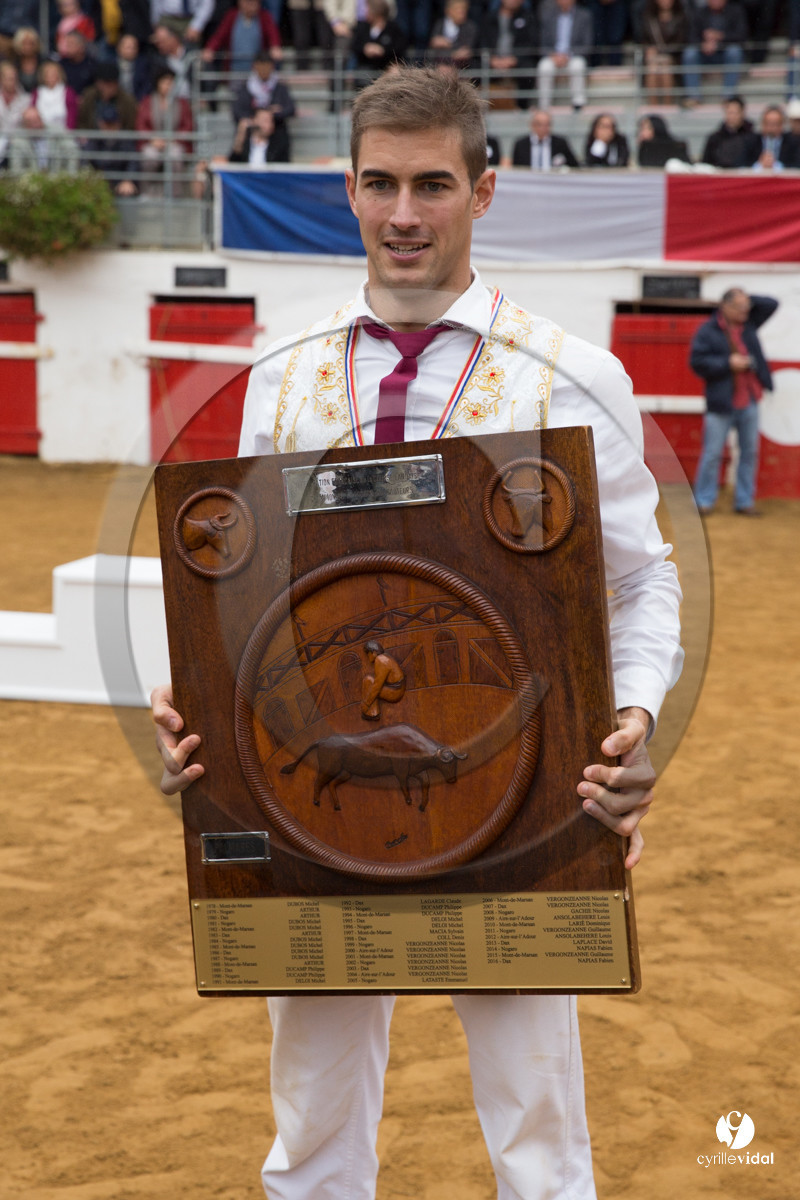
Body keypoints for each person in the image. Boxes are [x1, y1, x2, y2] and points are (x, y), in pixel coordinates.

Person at [152, 65, 683, 1200]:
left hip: (520, 792)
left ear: (481, 192)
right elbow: (240, 597)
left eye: (432, 185)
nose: (404, 214)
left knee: (537, 1130)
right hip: (306, 804)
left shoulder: (574, 374)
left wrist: (629, 714)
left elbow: (641, 584)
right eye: (381, 184)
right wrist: (191, 705)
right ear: (347, 189)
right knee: (309, 1121)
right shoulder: (279, 380)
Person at [690, 288, 778, 517]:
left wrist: (746, 297)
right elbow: (697, 362)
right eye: (739, 308)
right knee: (712, 453)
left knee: (749, 453)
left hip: (749, 399)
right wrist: (727, 363)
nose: (744, 312)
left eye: (746, 307)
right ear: (724, 307)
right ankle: (704, 501)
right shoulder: (707, 331)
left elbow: (771, 303)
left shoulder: (748, 324)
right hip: (721, 402)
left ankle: (744, 501)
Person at [681, 0, 747, 106]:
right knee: (690, 53)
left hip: (724, 52)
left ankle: (728, 96)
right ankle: (693, 96)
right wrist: (702, 45)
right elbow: (690, 36)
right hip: (703, 53)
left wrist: (720, 37)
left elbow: (741, 36)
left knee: (735, 51)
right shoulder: (699, 12)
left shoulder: (735, 11)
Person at [478, 0, 538, 109]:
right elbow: (482, 42)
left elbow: (530, 43)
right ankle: (477, 107)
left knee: (528, 68)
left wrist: (514, 59)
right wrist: (492, 59)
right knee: (473, 68)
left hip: (516, 60)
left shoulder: (528, 17)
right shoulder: (489, 17)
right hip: (493, 60)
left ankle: (522, 107)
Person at [538, 0, 593, 111]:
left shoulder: (584, 15)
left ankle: (578, 104)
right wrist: (552, 55)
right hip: (553, 56)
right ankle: (544, 106)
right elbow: (542, 43)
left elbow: (587, 44)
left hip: (573, 55)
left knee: (578, 65)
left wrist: (568, 55)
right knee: (544, 67)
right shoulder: (548, 15)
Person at [202, 0, 282, 74]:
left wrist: (275, 46)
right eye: (249, 2)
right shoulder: (231, 16)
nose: (253, 5)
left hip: (257, 72)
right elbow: (219, 36)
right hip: (235, 69)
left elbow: (273, 34)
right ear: (240, 3)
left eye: (256, 3)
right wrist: (210, 48)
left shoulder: (264, 17)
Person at [637, 0, 689, 104]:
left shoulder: (681, 17)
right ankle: (653, 105)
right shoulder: (649, 18)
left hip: (674, 57)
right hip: (654, 59)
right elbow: (644, 39)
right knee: (652, 68)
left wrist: (661, 51)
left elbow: (681, 42)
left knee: (665, 68)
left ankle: (667, 105)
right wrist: (648, 49)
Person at [350, 0, 408, 87]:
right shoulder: (363, 27)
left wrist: (383, 50)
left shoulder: (393, 28)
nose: (365, 11)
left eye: (368, 9)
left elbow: (400, 47)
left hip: (387, 66)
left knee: (396, 73)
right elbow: (355, 45)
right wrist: (365, 48)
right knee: (363, 78)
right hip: (366, 67)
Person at [9, 104, 81, 171]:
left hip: (57, 177)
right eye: (30, 122)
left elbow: (72, 150)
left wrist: (70, 178)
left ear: (41, 119)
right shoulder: (18, 141)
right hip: (32, 180)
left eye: (37, 120)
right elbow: (16, 169)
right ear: (24, 125)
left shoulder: (58, 131)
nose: (35, 125)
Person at [232, 49, 296, 124]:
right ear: (255, 66)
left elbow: (291, 109)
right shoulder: (247, 86)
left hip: (276, 129)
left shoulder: (279, 86)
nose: (264, 70)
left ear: (272, 67)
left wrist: (272, 114)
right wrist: (258, 116)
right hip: (254, 129)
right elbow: (237, 111)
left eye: (266, 67)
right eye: (261, 66)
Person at [701, 94, 760, 168]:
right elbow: (706, 164)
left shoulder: (753, 138)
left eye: (735, 113)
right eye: (729, 112)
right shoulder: (714, 138)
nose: (732, 117)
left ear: (742, 113)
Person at [512, 107, 579, 168]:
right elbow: (516, 168)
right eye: (540, 124)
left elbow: (574, 166)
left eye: (547, 124)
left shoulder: (560, 143)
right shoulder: (521, 144)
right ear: (532, 125)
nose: (543, 128)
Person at [31, 59, 79, 129]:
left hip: (62, 132)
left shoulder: (68, 92)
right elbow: (32, 112)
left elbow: (72, 115)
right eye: (47, 74)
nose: (50, 77)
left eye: (53, 74)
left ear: (59, 75)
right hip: (41, 132)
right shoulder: (37, 92)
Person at [750, 104, 800, 170]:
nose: (771, 128)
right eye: (768, 123)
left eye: (776, 124)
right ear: (762, 124)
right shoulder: (751, 141)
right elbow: (740, 164)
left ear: (782, 125)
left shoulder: (793, 143)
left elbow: (796, 165)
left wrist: (777, 166)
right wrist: (759, 165)